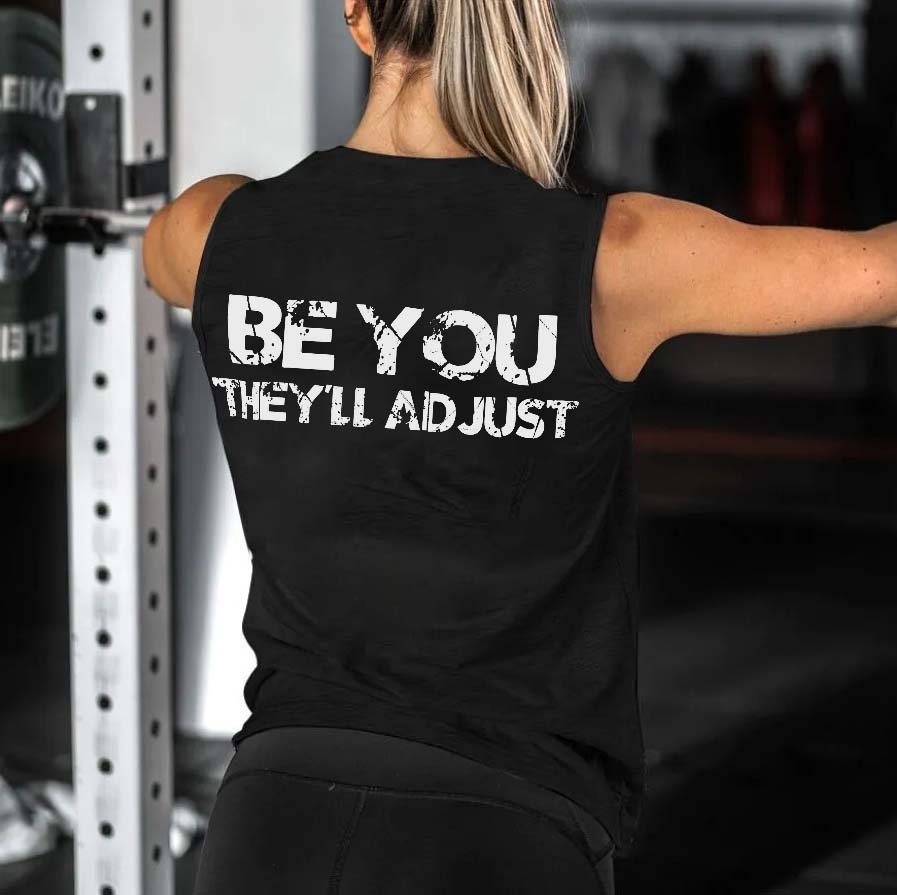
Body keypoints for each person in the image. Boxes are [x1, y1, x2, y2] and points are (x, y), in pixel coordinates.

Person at [142, 2, 897, 892]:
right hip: (501, 825)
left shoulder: (211, 231)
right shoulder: (613, 256)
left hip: (269, 816)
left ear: (357, 16)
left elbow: (159, 258)